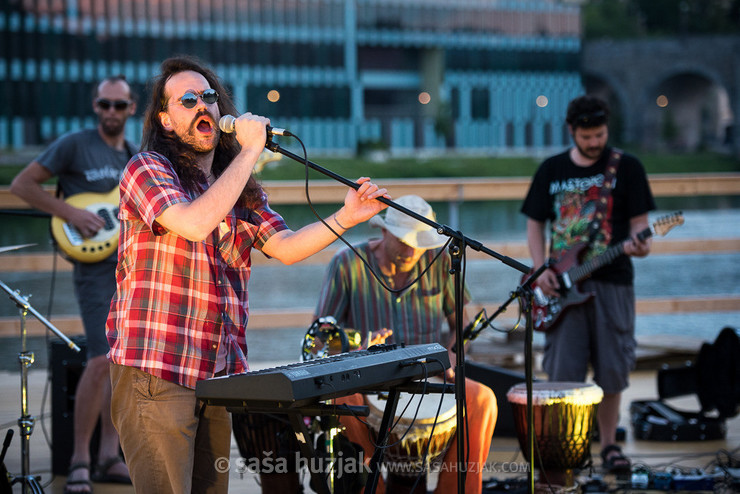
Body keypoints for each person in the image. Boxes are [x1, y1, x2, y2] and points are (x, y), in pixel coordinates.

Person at [105, 55, 389, 494]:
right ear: (164, 120)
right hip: (156, 371)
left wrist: (347, 217)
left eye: (209, 97)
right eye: (187, 99)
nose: (203, 105)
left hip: (216, 377)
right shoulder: (146, 168)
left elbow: (286, 246)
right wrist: (252, 151)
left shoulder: (235, 186)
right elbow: (195, 222)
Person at [314, 194, 498, 494]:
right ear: (384, 231)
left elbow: (460, 327)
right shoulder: (346, 263)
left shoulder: (439, 263)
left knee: (482, 399)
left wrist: (451, 356)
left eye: (418, 243)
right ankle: (372, 489)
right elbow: (322, 333)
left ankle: (456, 490)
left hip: (427, 374)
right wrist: (351, 350)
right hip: (364, 377)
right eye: (403, 241)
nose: (412, 250)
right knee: (340, 401)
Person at [10, 76, 137, 493]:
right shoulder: (74, 144)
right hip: (93, 268)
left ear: (131, 108)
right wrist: (70, 213)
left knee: (121, 362)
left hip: (129, 267)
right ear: (95, 106)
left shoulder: (137, 157)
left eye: (119, 105)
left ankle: (108, 456)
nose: (111, 112)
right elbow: (22, 185)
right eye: (104, 104)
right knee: (100, 359)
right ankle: (79, 459)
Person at [520, 95, 655, 473]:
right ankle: (568, 450)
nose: (595, 142)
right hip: (562, 286)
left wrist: (640, 244)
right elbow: (534, 221)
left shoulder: (627, 167)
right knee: (564, 371)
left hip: (613, 284)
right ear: (572, 131)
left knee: (613, 369)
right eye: (587, 135)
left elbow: (641, 226)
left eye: (600, 134)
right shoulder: (552, 169)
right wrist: (538, 267)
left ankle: (609, 445)